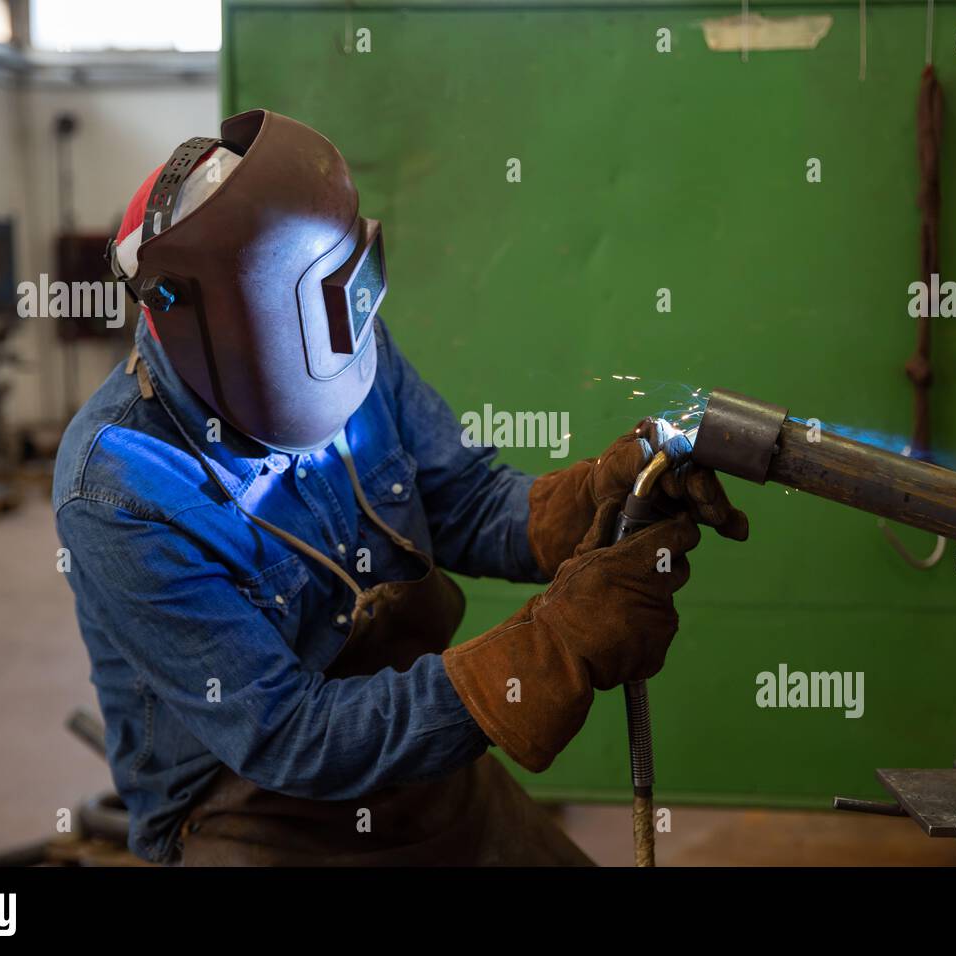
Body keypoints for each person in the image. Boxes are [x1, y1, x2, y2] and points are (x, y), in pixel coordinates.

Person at [53, 109, 748, 865]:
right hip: (253, 815)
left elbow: (463, 500)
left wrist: (592, 500)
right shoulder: (121, 487)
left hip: (418, 759)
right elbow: (290, 736)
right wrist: (551, 648)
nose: (335, 337)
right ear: (198, 324)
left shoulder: (346, 332)